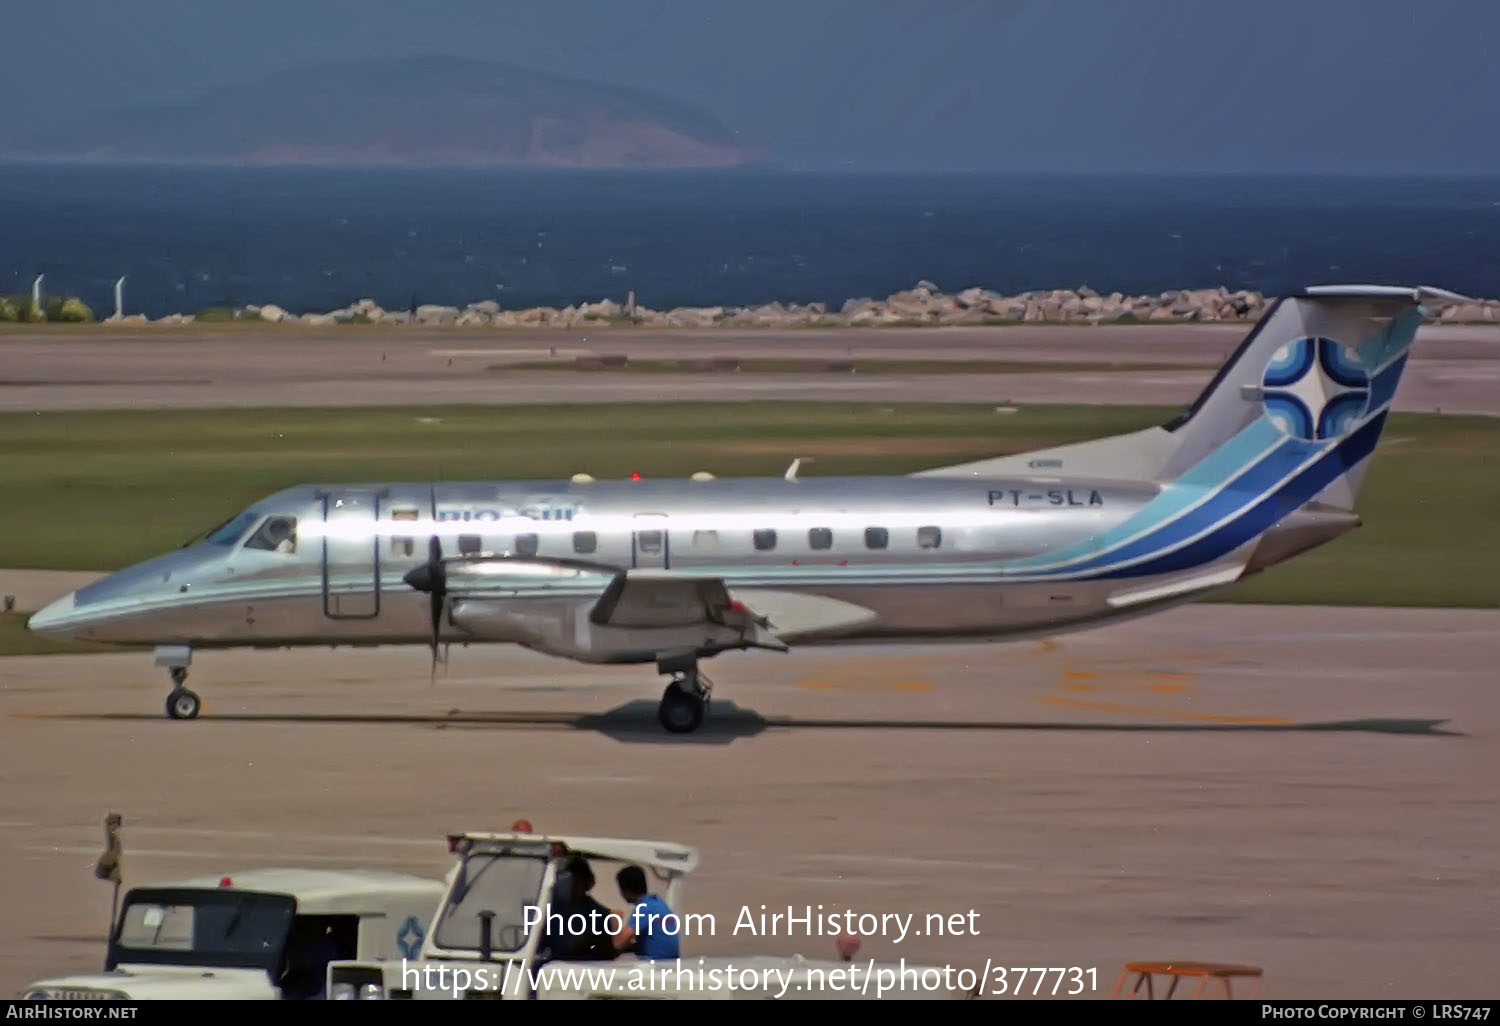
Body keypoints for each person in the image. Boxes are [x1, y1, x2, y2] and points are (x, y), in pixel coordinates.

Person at [543, 855, 629, 962]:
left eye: (575, 881)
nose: (570, 886)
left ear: (588, 883)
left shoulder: (600, 916)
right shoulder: (548, 911)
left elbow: (608, 954)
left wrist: (589, 941)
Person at [616, 864, 680, 960]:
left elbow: (618, 943)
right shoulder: (658, 903)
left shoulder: (644, 908)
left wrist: (615, 917)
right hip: (671, 963)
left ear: (626, 890)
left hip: (656, 967)